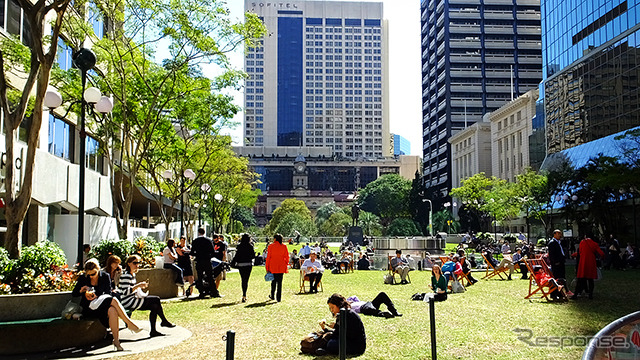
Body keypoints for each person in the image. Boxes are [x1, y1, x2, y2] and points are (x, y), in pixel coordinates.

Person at [72, 258, 142, 351]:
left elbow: (108, 292)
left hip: (102, 304)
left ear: (98, 270)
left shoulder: (105, 276)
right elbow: (74, 293)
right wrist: (82, 291)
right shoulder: (83, 278)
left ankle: (116, 341)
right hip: (89, 308)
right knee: (113, 300)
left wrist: (96, 295)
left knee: (112, 310)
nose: (91, 277)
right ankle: (129, 323)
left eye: (93, 274)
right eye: (88, 275)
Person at [119, 255, 175, 337]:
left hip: (132, 299)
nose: (137, 265)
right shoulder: (126, 275)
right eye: (135, 263)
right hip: (128, 301)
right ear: (128, 263)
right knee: (156, 300)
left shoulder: (131, 275)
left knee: (155, 306)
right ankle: (163, 322)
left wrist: (139, 287)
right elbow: (125, 292)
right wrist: (138, 286)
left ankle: (155, 329)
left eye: (138, 263)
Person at [571, 234, 604, 300]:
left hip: (583, 263)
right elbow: (601, 253)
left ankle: (576, 294)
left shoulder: (582, 242)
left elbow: (580, 252)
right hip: (591, 263)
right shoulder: (595, 244)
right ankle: (590, 295)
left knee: (580, 280)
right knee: (590, 280)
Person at [190, 228, 220, 298]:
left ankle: (201, 292)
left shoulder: (195, 241)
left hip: (199, 260)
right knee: (210, 276)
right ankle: (214, 292)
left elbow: (192, 252)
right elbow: (213, 252)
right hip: (207, 260)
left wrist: (197, 254)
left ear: (198, 233)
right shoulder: (208, 241)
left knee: (200, 277)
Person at [230, 233, 255, 303]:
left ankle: (244, 294)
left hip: (241, 264)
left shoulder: (239, 246)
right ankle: (244, 295)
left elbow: (237, 255)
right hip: (248, 264)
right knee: (246, 280)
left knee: (243, 279)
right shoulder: (250, 246)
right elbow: (253, 256)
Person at [266, 234, 289, 302]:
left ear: (275, 239)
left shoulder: (271, 246)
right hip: (281, 266)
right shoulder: (284, 246)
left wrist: (267, 267)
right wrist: (285, 263)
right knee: (280, 283)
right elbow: (287, 256)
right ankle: (279, 298)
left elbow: (268, 257)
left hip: (273, 266)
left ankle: (272, 295)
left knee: (273, 281)